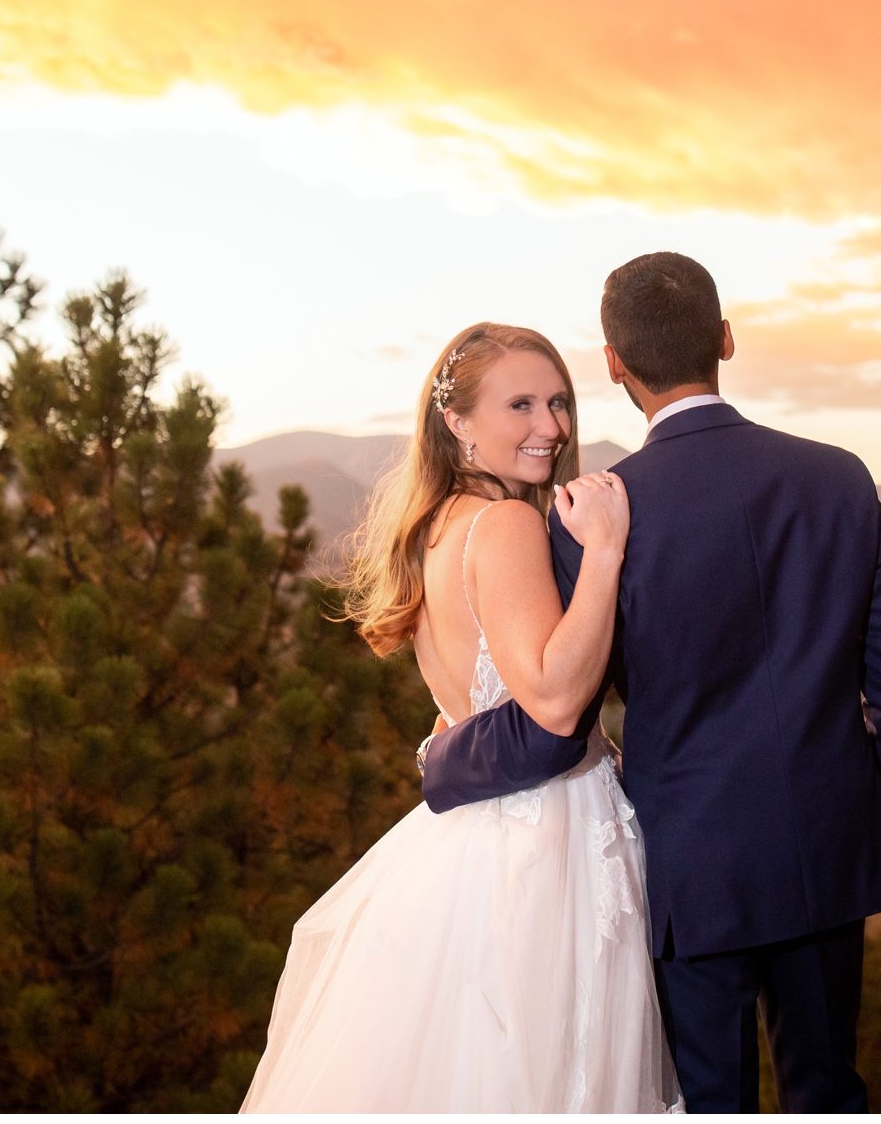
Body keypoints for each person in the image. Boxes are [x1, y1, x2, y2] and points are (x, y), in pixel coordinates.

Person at [421, 253, 881, 1113]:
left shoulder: (597, 510)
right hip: (825, 852)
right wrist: (863, 815)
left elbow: (559, 711)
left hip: (685, 868)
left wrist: (444, 761)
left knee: (707, 1099)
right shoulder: (839, 476)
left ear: (615, 362)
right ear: (725, 340)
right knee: (826, 1090)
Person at [240, 321, 682, 1113]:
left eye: (557, 401)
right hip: (545, 839)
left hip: (468, 837)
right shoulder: (505, 522)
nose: (551, 426)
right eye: (520, 404)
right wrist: (606, 552)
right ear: (458, 422)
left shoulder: (433, 527)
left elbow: (476, 697)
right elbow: (552, 696)